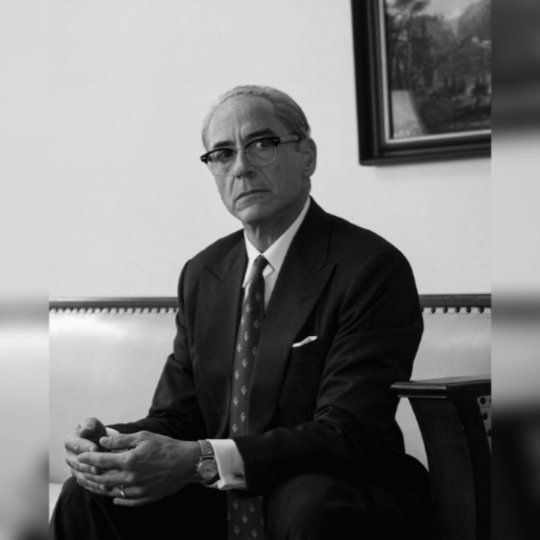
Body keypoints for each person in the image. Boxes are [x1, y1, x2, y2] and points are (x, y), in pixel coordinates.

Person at [50, 85, 430, 540]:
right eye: (223, 154)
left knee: (307, 504)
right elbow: (177, 418)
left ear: (306, 156)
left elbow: (349, 432)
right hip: (222, 495)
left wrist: (201, 459)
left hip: (339, 489)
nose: (242, 168)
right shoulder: (203, 273)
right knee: (86, 494)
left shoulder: (369, 267)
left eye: (262, 144)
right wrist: (112, 445)